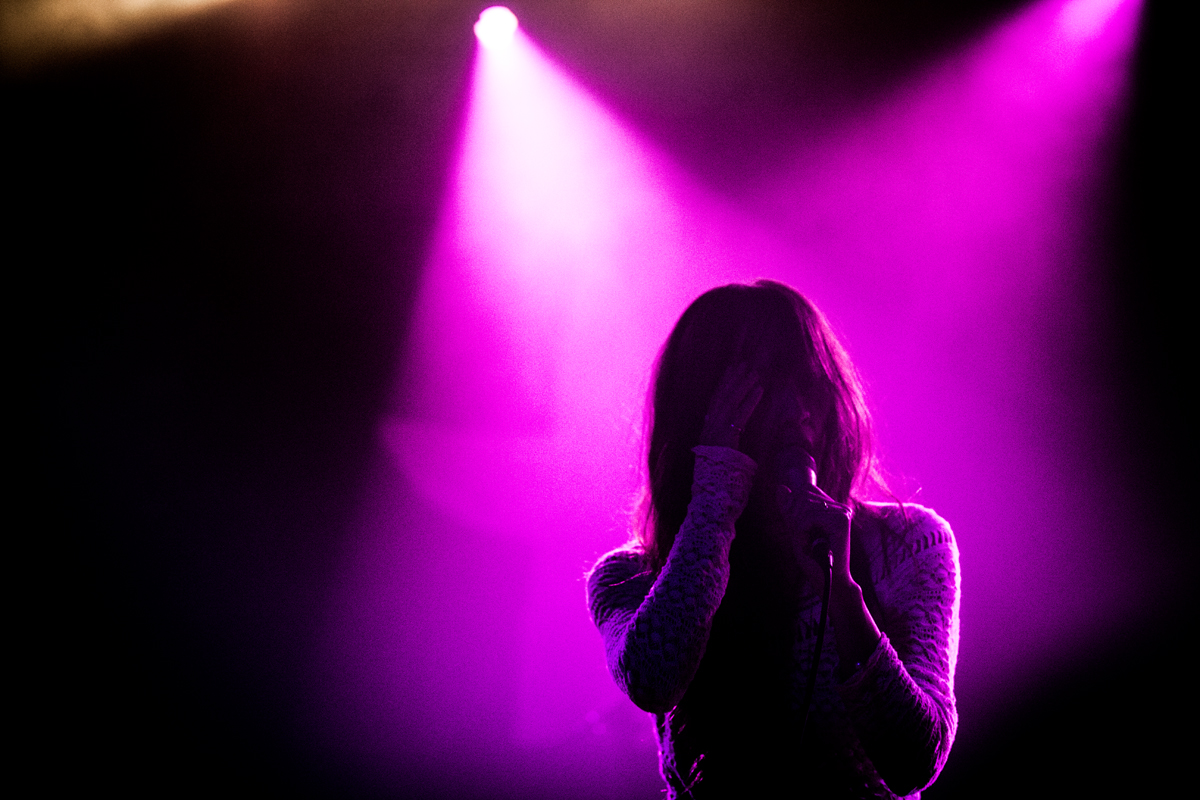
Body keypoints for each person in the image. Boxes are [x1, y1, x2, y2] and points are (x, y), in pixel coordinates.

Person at [587, 281, 960, 799]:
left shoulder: (909, 543)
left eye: (806, 383)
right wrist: (716, 490)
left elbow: (915, 760)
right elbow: (653, 678)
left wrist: (845, 596)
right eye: (760, 386)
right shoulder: (630, 576)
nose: (794, 411)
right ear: (703, 409)